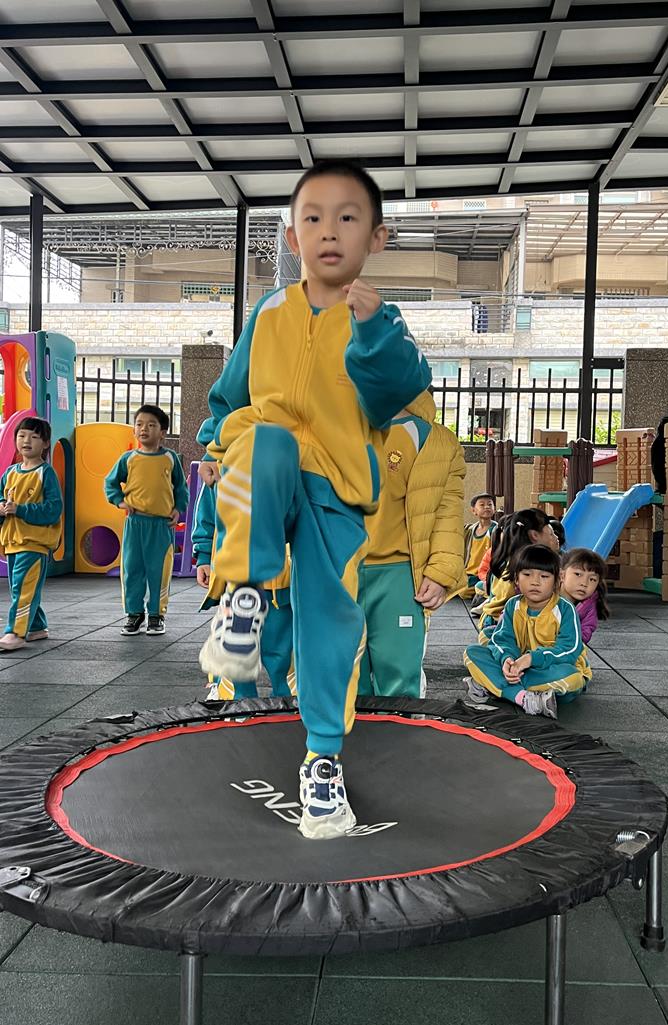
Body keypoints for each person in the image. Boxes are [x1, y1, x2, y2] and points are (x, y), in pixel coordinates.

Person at [196, 159, 432, 840]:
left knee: (330, 617)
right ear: (292, 235)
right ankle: (244, 602)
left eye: (348, 218)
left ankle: (322, 762)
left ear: (376, 237)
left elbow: (397, 390)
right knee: (265, 439)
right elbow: (231, 393)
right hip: (265, 461)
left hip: (336, 485)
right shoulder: (270, 311)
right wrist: (214, 444)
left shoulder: (380, 321)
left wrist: (373, 331)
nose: (330, 230)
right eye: (313, 217)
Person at [358, 390, 465, 698]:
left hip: (400, 572)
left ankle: (399, 729)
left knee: (399, 675)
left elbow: (447, 512)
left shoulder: (435, 440)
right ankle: (349, 730)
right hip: (338, 567)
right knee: (341, 675)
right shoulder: (332, 425)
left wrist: (441, 572)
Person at [191, 480, 292, 698]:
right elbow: (210, 508)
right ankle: (234, 700)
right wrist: (204, 555)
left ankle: (288, 701)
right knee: (234, 647)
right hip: (237, 572)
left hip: (281, 577)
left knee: (284, 651)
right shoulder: (221, 462)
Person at [464, 544, 591, 716]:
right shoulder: (513, 605)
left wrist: (531, 659)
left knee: (572, 677)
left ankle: (494, 685)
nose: (535, 582)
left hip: (549, 670)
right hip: (519, 667)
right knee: (472, 652)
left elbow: (569, 650)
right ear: (516, 578)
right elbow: (503, 639)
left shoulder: (565, 609)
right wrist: (507, 660)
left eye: (544, 576)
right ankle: (523, 698)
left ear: (557, 581)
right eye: (527, 574)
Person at [104, 404, 189, 637]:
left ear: (163, 432)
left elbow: (181, 489)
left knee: (159, 571)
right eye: (139, 424)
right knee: (132, 569)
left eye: (151, 425)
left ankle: (156, 615)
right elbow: (110, 483)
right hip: (135, 524)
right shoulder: (128, 459)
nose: (144, 429)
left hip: (161, 525)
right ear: (134, 429)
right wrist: (120, 501)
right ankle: (134, 613)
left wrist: (178, 510)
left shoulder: (170, 459)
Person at [0, 417, 63, 651]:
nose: (26, 441)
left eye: (34, 437)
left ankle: (15, 632)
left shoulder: (46, 473)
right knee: (20, 586)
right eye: (22, 436)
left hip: (35, 542)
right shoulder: (10, 473)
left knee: (22, 587)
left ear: (45, 443)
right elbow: (1, 497)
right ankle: (36, 626)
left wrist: (21, 509)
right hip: (12, 540)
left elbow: (54, 509)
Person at [477, 508, 560, 638]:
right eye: (551, 533)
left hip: (494, 618)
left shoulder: (513, 557)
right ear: (534, 535)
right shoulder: (530, 564)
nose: (556, 538)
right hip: (503, 622)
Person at [559, 547, 609, 645]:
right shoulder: (546, 595)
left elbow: (585, 632)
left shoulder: (588, 605)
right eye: (578, 574)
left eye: (592, 579)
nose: (584, 583)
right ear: (562, 575)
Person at [461, 493, 497, 598]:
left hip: (484, 574)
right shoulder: (470, 530)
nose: (487, 507)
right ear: (474, 511)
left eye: (490, 504)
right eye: (482, 505)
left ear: (494, 509)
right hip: (468, 573)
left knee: (463, 592)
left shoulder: (496, 530)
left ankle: (482, 592)